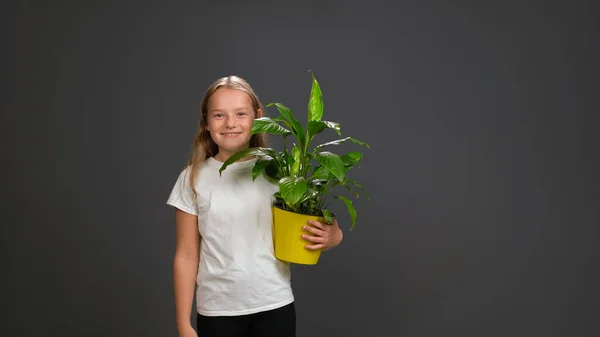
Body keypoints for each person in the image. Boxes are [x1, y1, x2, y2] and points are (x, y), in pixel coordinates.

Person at [166, 75, 344, 337]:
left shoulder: (281, 173)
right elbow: (186, 254)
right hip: (217, 311)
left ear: (257, 117)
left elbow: (315, 225)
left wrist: (333, 235)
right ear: (205, 122)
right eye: (219, 115)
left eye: (240, 114)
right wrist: (184, 325)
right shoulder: (193, 178)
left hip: (274, 304)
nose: (230, 124)